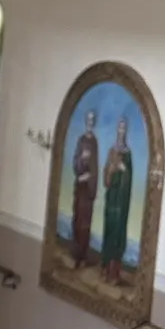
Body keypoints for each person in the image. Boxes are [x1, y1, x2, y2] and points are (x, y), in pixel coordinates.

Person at [101, 117, 134, 286]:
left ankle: (114, 273)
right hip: (111, 201)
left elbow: (128, 178)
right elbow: (106, 174)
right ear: (117, 130)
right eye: (119, 127)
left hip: (121, 204)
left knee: (118, 235)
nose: (121, 130)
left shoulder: (127, 154)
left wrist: (123, 169)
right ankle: (105, 269)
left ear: (126, 130)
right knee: (109, 233)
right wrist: (110, 171)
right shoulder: (111, 151)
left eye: (124, 128)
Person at [70, 108, 99, 268]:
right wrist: (82, 159)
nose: (90, 122)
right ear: (85, 121)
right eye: (88, 119)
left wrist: (92, 182)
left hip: (88, 190)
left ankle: (83, 255)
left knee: (86, 224)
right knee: (77, 221)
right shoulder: (81, 141)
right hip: (80, 187)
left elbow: (95, 167)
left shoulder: (94, 142)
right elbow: (75, 163)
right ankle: (76, 255)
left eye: (92, 120)